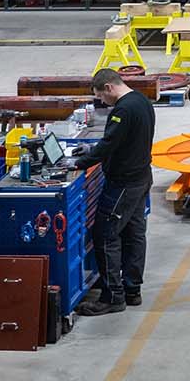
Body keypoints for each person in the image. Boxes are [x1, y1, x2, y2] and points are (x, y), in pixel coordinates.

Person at [69, 68, 157, 316]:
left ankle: (112, 297)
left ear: (108, 87)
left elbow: (109, 145)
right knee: (134, 234)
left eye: (100, 97)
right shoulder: (141, 100)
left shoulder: (123, 110)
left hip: (124, 184)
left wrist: (78, 163)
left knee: (105, 235)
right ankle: (132, 290)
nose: (101, 102)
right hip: (141, 178)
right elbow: (123, 141)